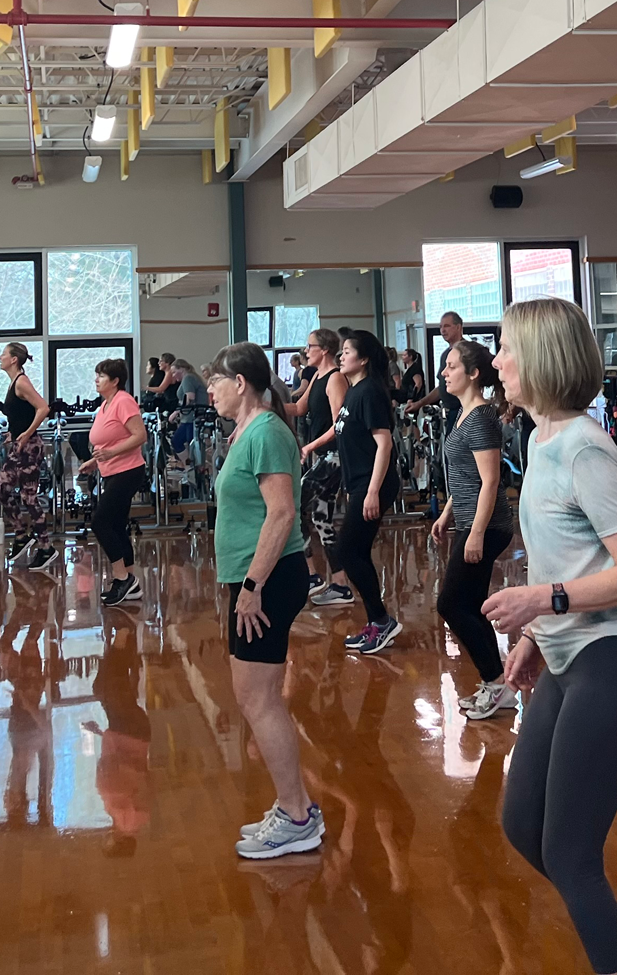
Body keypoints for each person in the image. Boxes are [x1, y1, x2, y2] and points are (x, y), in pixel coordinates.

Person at [480, 297, 617, 975]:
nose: (496, 360)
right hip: (567, 654)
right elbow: (569, 553)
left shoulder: (587, 447)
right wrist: (537, 627)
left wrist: (542, 597)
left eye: (506, 348)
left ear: (542, 357)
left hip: (616, 662)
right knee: (522, 826)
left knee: (570, 854)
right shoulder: (540, 438)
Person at [208, 342, 325, 859]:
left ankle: (298, 818)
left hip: (269, 580)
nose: (209, 389)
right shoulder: (249, 432)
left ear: (241, 383)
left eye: (217, 380)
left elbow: (281, 515)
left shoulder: (268, 432)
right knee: (261, 697)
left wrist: (252, 587)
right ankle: (296, 806)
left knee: (257, 699)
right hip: (255, 578)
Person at [431, 340, 516, 720]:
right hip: (468, 520)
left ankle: (497, 682)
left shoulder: (481, 417)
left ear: (473, 373)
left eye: (451, 366)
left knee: (450, 604)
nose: (444, 373)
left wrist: (477, 532)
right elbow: (465, 476)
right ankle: (498, 684)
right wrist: (448, 512)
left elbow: (491, 480)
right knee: (468, 603)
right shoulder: (464, 413)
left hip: (487, 525)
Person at [334, 330, 402, 654]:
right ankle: (377, 622)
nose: (341, 356)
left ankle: (381, 620)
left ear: (363, 359)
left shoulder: (371, 391)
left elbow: (384, 443)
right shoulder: (353, 391)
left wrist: (372, 491)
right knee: (354, 552)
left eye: (347, 351)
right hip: (360, 483)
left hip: (375, 483)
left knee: (348, 551)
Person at [79, 358, 148, 606]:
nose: (96, 380)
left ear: (115, 381)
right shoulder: (106, 404)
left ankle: (122, 578)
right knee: (117, 526)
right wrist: (95, 462)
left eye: (102, 376)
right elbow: (106, 442)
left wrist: (110, 454)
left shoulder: (123, 401)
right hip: (111, 471)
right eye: (96, 375)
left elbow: (140, 436)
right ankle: (130, 581)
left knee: (100, 522)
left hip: (128, 471)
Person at [292, 330, 353, 605]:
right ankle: (340, 585)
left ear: (325, 350)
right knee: (321, 519)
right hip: (324, 457)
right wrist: (259, 405)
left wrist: (309, 446)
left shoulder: (335, 379)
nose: (306, 351)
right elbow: (298, 409)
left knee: (293, 506)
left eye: (310, 346)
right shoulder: (316, 375)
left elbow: (339, 426)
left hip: (335, 457)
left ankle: (311, 576)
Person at [0, 343, 52, 570]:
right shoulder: (14, 383)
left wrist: (26, 435)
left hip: (30, 448)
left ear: (13, 360)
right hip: (20, 445)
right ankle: (21, 535)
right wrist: (15, 432)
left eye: (4, 354)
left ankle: (46, 547)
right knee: (1, 489)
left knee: (29, 498)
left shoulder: (21, 382)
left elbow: (43, 408)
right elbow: (22, 414)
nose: (0, 357)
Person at [406, 312, 468, 423]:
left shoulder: (468, 352)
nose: (443, 330)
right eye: (440, 327)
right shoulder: (445, 354)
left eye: (447, 326)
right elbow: (441, 387)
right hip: (448, 412)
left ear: (458, 327)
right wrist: (419, 403)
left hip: (464, 411)